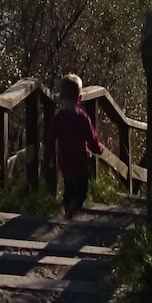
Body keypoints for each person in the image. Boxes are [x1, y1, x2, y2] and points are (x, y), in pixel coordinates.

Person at [44, 73, 104, 218]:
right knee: (81, 191)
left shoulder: (57, 119)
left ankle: (67, 210)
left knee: (68, 188)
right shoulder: (83, 117)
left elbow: (50, 142)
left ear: (62, 97)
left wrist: (46, 162)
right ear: (79, 98)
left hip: (65, 161)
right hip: (81, 162)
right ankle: (69, 213)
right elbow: (92, 138)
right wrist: (98, 148)